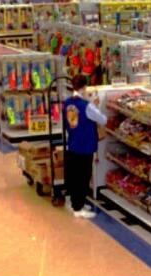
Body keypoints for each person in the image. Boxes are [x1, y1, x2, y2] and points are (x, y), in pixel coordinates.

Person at [62, 74, 106, 218]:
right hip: (85, 146)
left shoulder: (67, 103)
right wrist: (94, 103)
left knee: (75, 176)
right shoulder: (87, 106)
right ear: (84, 88)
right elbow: (103, 119)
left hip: (73, 143)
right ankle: (78, 208)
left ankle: (76, 202)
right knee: (83, 176)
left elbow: (73, 123)